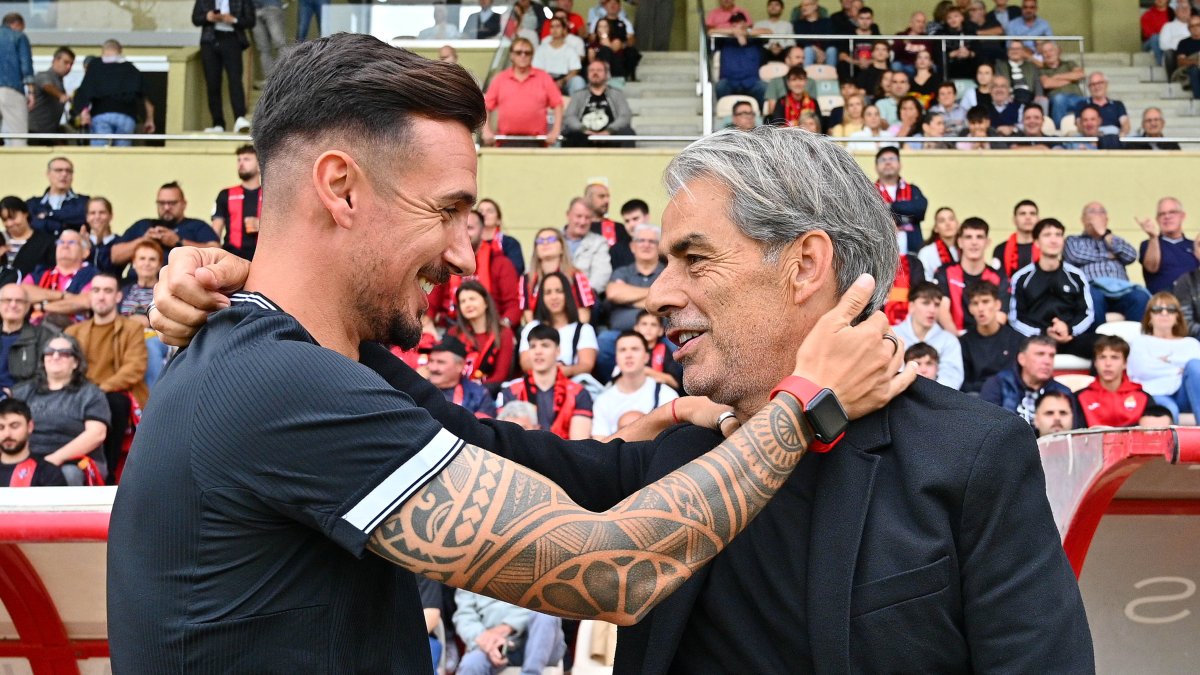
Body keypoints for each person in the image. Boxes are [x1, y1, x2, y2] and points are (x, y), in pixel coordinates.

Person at [152, 123, 1091, 672]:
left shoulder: (969, 458)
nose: (660, 293)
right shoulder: (679, 457)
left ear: (806, 263)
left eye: (694, 260)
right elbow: (455, 435)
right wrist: (269, 294)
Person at [66, 273, 147, 482]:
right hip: (79, 394)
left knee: (114, 402)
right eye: (96, 290)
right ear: (90, 296)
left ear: (118, 296)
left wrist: (99, 391)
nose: (101, 296)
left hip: (115, 394)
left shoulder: (132, 328)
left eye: (107, 291)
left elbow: (134, 367)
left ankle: (108, 473)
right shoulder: (73, 331)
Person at [12, 334, 109, 485]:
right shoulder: (23, 392)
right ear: (43, 359)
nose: (55, 356)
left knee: (67, 474)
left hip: (73, 462)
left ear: (75, 362)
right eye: (50, 352)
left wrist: (54, 459)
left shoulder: (90, 393)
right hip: (27, 458)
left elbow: (97, 434)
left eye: (64, 353)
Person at [1009, 218, 1097, 359]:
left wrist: (1069, 330)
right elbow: (1015, 318)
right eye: (1047, 235)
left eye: (1058, 234)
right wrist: (1043, 333)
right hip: (1034, 339)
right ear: (1036, 242)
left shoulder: (1076, 275)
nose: (1054, 240)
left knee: (1105, 346)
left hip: (1069, 338)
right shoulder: (1021, 277)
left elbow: (1087, 313)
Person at [427, 210, 521, 329]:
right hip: (450, 327)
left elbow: (513, 306)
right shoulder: (444, 262)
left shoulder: (500, 263)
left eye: (469, 228)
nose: (464, 234)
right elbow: (431, 303)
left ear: (483, 231)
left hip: (490, 328)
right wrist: (428, 323)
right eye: (460, 229)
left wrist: (503, 329)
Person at [595, 224, 664, 380]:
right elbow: (613, 293)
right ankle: (613, 383)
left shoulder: (667, 272)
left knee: (677, 347)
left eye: (652, 242)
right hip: (620, 334)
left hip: (660, 336)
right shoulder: (621, 272)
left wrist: (628, 297)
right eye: (641, 241)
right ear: (633, 247)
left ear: (659, 247)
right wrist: (654, 297)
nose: (646, 245)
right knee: (603, 342)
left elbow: (669, 297)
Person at [1065, 201, 1151, 322]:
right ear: (1083, 219)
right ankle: (1096, 339)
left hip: (1121, 289)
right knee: (1092, 297)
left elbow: (1131, 256)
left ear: (1106, 219)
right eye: (1092, 212)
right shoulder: (1073, 240)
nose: (1097, 216)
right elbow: (1074, 255)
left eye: (1101, 212)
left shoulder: (1115, 240)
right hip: (1092, 288)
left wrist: (1104, 234)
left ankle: (1136, 339)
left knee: (1140, 297)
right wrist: (1109, 255)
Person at [505, 323, 594, 440]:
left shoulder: (579, 393)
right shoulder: (511, 391)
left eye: (545, 345)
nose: (538, 351)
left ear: (558, 351)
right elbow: (507, 438)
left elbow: (579, 444)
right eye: (533, 346)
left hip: (564, 456)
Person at [1126, 291, 1200, 422]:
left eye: (1170, 310)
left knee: (1194, 364)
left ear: (1177, 316)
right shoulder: (1140, 342)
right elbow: (1142, 370)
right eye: (1158, 309)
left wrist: (1168, 360)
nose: (1164, 313)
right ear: (1149, 317)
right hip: (1155, 392)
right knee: (1170, 411)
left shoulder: (1191, 343)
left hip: (1186, 394)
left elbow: (1196, 371)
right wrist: (1180, 369)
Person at [453, 589, 566, 675]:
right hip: (495, 645)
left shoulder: (536, 561)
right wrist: (485, 638)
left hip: (540, 640)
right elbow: (463, 616)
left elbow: (547, 600)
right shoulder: (468, 570)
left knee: (545, 615)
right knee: (471, 664)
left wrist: (508, 627)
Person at [109, 182, 220, 268]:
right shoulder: (143, 225)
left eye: (172, 203)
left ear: (184, 204)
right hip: (138, 287)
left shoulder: (196, 226)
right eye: (162, 203)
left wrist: (179, 242)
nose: (166, 207)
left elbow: (216, 252)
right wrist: (144, 241)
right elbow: (115, 256)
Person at [592, 329, 678, 436]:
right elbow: (600, 443)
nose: (628, 355)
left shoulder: (667, 395)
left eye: (635, 349)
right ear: (616, 358)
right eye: (622, 350)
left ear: (646, 357)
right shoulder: (602, 401)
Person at [980, 334, 1078, 425]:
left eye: (1051, 356)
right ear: (1022, 359)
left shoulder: (1063, 392)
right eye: (1040, 354)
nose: (1047, 361)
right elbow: (987, 426)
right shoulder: (997, 385)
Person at [482, 38, 563, 147]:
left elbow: (558, 104)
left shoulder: (544, 77)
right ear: (512, 55)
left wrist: (555, 131)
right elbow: (486, 106)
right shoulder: (500, 79)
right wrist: (486, 130)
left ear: (532, 56)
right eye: (519, 52)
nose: (523, 56)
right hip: (505, 142)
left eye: (527, 53)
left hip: (537, 142)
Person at [72, 40, 154, 147]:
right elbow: (147, 95)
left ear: (103, 51)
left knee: (99, 153)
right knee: (121, 156)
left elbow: (84, 91)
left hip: (101, 114)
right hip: (126, 116)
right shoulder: (130, 68)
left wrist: (83, 111)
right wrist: (150, 119)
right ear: (120, 51)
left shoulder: (96, 66)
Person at [519, 271, 598, 379]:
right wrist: (551, 369)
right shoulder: (531, 327)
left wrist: (565, 370)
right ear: (542, 298)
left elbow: (586, 365)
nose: (554, 297)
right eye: (548, 292)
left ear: (568, 295)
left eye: (559, 291)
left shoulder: (584, 329)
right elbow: (525, 363)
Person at [936, 217, 1008, 333]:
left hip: (987, 338)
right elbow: (942, 311)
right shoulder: (944, 272)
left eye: (979, 237)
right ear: (959, 242)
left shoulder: (998, 277)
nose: (974, 242)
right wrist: (959, 341)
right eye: (968, 237)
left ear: (987, 242)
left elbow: (1001, 316)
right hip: (954, 339)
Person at [193, 0, 255, 134]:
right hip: (209, 41)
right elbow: (195, 18)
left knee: (235, 80)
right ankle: (218, 123)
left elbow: (251, 21)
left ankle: (239, 118)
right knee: (212, 82)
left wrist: (233, 19)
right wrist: (207, 17)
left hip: (232, 39)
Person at [893, 282, 964, 389]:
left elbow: (952, 377)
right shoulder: (893, 334)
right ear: (911, 306)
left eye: (936, 304)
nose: (932, 310)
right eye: (926, 303)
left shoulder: (949, 340)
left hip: (937, 400)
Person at [118, 240, 169, 388]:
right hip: (126, 336)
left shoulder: (166, 289)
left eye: (152, 259)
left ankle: (153, 399)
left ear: (159, 265)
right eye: (142, 259)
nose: (146, 263)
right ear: (133, 263)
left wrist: (150, 321)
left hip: (157, 338)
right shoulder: (123, 291)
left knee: (149, 345)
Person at [446, 280, 516, 388]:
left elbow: (500, 376)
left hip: (489, 394)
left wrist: (476, 392)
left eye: (472, 299)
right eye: (463, 301)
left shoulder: (504, 333)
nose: (468, 304)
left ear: (486, 302)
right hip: (455, 393)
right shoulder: (454, 333)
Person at [22, 228, 96, 328]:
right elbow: (23, 293)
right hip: (36, 333)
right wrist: (63, 296)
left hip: (73, 332)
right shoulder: (41, 272)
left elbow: (84, 302)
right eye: (61, 242)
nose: (65, 246)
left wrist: (42, 306)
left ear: (85, 252)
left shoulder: (92, 275)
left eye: (71, 242)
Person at [521, 227, 596, 325]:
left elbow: (584, 313)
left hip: (572, 330)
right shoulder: (527, 279)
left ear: (562, 247)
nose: (545, 243)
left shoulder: (576, 276)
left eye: (551, 239)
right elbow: (528, 313)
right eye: (540, 241)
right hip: (540, 333)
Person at [960, 281, 1022, 393]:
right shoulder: (963, 343)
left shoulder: (1017, 340)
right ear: (970, 308)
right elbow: (963, 383)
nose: (980, 308)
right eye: (975, 303)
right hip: (976, 400)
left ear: (998, 304)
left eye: (985, 301)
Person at [1077, 335, 1150, 428]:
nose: (1108, 364)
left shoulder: (1142, 397)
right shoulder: (1081, 397)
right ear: (1095, 363)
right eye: (1102, 357)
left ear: (1125, 363)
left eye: (1114, 357)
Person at [0, 284, 61, 392]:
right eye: (7, 300)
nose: (13, 305)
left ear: (27, 306)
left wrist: (14, 393)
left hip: (26, 401)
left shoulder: (44, 336)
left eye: (19, 301)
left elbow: (45, 376)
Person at [562, 60, 634, 147]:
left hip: (610, 136)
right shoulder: (578, 95)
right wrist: (584, 130)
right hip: (583, 136)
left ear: (606, 74)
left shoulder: (617, 94)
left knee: (627, 133)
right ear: (587, 74)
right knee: (571, 134)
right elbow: (570, 116)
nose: (595, 73)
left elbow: (625, 116)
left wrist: (608, 131)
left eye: (599, 70)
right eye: (592, 70)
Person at [0, 398, 67, 487]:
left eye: (14, 426)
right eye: (1, 427)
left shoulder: (47, 472)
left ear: (30, 427)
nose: (7, 434)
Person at [873, 146, 928, 254]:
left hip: (912, 253)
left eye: (892, 159)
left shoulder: (913, 190)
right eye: (883, 160)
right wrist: (905, 212)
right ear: (876, 167)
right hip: (881, 253)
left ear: (900, 164)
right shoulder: (870, 191)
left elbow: (920, 210)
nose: (888, 162)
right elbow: (870, 215)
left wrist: (890, 206)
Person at [211, 144, 261, 260]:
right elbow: (215, 232)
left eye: (247, 159)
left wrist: (262, 226)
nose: (241, 164)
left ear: (260, 165)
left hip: (263, 257)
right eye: (239, 160)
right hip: (231, 255)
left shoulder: (270, 194)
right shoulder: (225, 194)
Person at [426, 336, 497, 419]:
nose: (433, 368)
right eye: (431, 361)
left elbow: (483, 429)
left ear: (460, 366)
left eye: (441, 362)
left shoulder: (479, 395)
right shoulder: (417, 389)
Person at [1138, 196, 1196, 294]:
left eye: (1172, 212)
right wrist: (1153, 237)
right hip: (1162, 303)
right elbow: (1151, 268)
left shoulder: (1194, 246)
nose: (1167, 217)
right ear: (1157, 219)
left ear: (1182, 216)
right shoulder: (1149, 244)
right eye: (1162, 214)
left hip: (1192, 302)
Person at [561, 197, 612, 294]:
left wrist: (580, 297)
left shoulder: (599, 242)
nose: (582, 222)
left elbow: (601, 277)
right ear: (568, 215)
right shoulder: (551, 238)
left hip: (585, 299)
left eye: (587, 217)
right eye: (579, 216)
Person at [27, 157, 89, 236]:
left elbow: (81, 218)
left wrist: (49, 214)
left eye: (69, 171)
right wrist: (64, 219)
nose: (64, 174)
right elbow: (30, 225)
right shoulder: (33, 204)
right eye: (58, 170)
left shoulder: (83, 201)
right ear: (48, 174)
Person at [713, 12, 766, 106]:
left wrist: (745, 33)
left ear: (745, 23)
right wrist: (735, 32)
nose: (736, 25)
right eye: (734, 23)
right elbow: (711, 32)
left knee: (763, 87)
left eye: (739, 22)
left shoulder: (754, 39)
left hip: (751, 82)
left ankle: (763, 117)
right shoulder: (724, 39)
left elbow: (768, 31)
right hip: (729, 82)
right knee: (720, 86)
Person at [1, 197, 56, 277]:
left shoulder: (45, 242)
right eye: (5, 220)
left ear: (25, 213)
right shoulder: (1, 239)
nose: (9, 223)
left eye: (13, 217)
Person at [28, 47, 75, 141]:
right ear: (55, 61)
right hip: (35, 132)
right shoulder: (44, 75)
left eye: (71, 64)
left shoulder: (60, 82)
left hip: (49, 132)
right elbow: (47, 86)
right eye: (66, 62)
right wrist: (61, 96)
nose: (69, 67)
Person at [0, 13, 33, 147]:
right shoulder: (19, 36)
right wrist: (31, 90)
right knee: (18, 135)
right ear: (17, 24)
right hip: (11, 89)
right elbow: (25, 64)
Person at [1038, 40, 1085, 127]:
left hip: (1077, 97)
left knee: (1090, 101)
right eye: (1045, 52)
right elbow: (1047, 84)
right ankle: (1059, 132)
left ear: (1058, 51)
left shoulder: (1069, 64)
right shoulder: (1042, 70)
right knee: (1059, 99)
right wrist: (1071, 79)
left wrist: (1057, 77)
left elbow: (1080, 74)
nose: (1048, 54)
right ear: (1042, 55)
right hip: (1057, 99)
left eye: (1051, 50)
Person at [633, 309, 682, 392]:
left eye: (653, 325)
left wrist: (648, 372)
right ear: (636, 328)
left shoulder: (664, 350)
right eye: (644, 324)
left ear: (660, 331)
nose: (648, 328)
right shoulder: (629, 348)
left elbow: (675, 383)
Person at [993, 198, 1040, 277]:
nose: (1028, 217)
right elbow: (997, 279)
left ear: (1038, 219)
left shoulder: (1046, 248)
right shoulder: (1001, 249)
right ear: (1014, 220)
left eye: (1032, 213)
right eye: (1022, 213)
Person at [477, 198, 525, 276]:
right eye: (480, 211)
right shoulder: (469, 243)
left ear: (498, 219)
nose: (484, 214)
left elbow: (516, 269)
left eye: (490, 211)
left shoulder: (510, 243)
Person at [1077, 72, 1129, 137]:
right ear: (1088, 87)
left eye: (1099, 83)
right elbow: (1079, 125)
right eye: (1093, 84)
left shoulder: (1117, 105)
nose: (1096, 87)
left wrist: (1121, 136)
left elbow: (1125, 124)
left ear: (1106, 84)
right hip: (1090, 137)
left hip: (1113, 138)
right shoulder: (1082, 105)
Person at [917, 207, 959, 281]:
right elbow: (923, 281)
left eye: (951, 219)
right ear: (936, 228)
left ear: (957, 224)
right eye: (942, 221)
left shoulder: (965, 249)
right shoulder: (926, 252)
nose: (948, 224)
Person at [250, 0, 285, 83]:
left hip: (271, 6)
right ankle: (270, 81)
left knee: (279, 44)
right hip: (253, 10)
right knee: (264, 49)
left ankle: (285, 77)